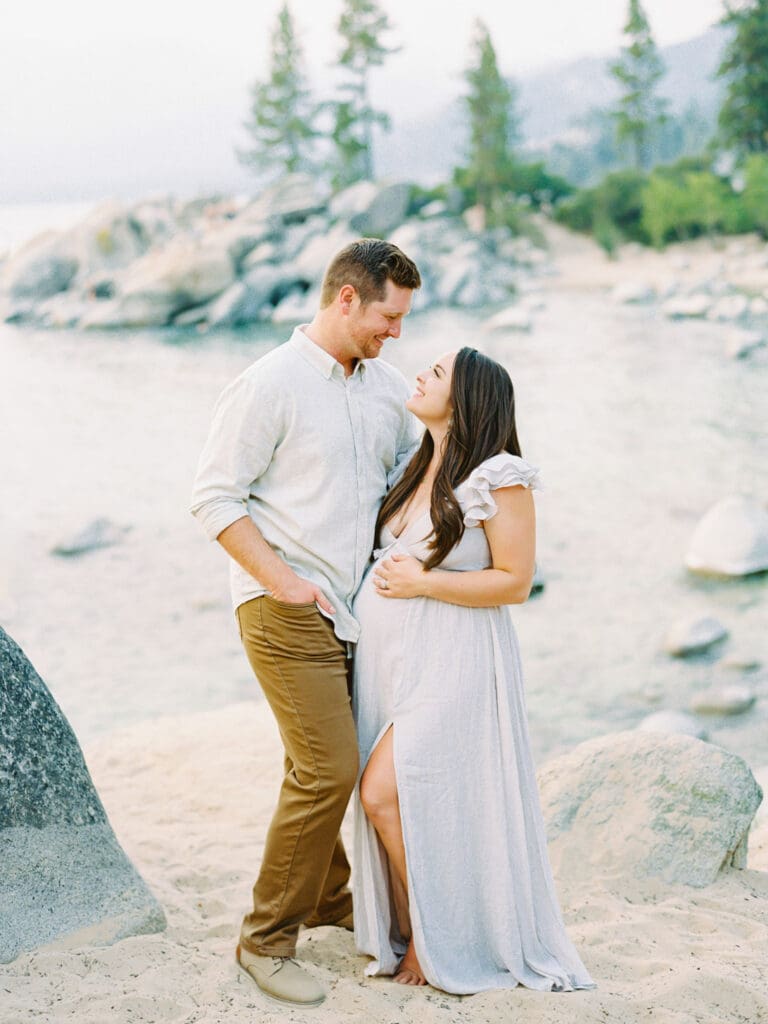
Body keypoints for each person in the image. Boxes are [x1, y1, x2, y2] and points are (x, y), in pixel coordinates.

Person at [190, 239, 422, 1008]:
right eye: (388, 315)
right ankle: (265, 939)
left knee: (334, 762)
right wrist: (286, 585)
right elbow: (216, 497)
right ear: (346, 298)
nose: (396, 332)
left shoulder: (389, 389)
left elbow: (418, 482)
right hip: (283, 605)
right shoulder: (268, 385)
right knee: (326, 770)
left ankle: (329, 899)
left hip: (361, 613)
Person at [352, 347, 595, 994]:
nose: (421, 375)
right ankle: (414, 937)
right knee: (411, 801)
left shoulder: (500, 476)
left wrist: (425, 582)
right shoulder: (414, 464)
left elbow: (515, 582)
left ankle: (435, 944)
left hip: (455, 660)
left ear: (465, 402)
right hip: (391, 664)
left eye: (437, 373)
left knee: (384, 792)